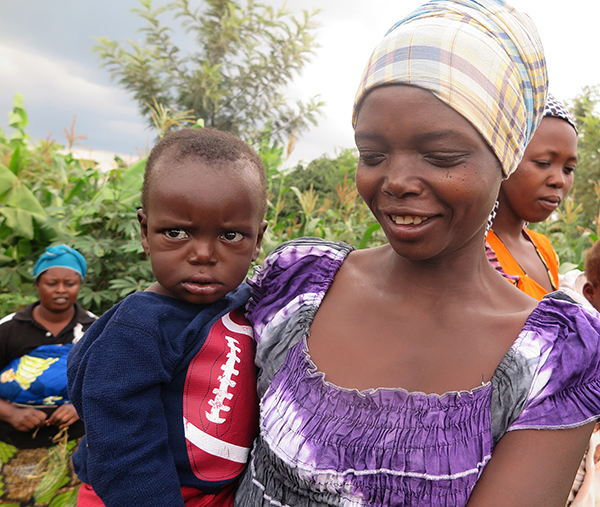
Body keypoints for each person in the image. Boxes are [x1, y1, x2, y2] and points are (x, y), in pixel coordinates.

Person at [233, 1, 600, 506]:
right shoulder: (296, 286)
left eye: (442, 157)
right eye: (372, 154)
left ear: (506, 156)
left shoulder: (552, 358)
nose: (397, 181)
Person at [67, 128, 268, 507]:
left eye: (230, 236)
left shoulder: (248, 302)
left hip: (218, 490)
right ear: (145, 232)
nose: (204, 254)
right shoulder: (137, 331)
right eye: (176, 233)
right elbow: (124, 452)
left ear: (258, 240)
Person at [0, 244, 96, 505]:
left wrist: (79, 408)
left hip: (75, 443)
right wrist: (11, 413)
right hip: (13, 443)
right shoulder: (9, 330)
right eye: (52, 283)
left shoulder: (93, 329)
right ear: (38, 283)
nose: (62, 290)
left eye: (70, 283)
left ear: (80, 284)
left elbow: (104, 382)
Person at [486, 94, 578, 300]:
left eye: (569, 168)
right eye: (544, 163)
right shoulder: (471, 255)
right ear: (503, 159)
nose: (559, 180)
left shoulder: (544, 248)